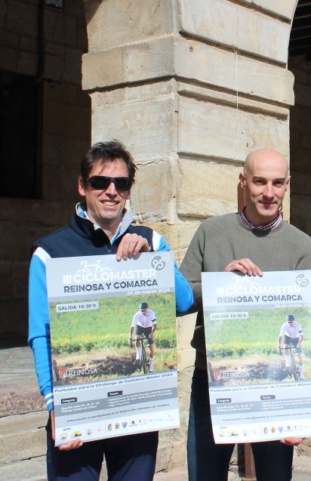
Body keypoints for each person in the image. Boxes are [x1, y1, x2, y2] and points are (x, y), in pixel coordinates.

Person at [27, 140, 194, 481]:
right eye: (100, 182)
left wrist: (152, 261)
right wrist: (53, 404)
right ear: (82, 186)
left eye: (121, 184)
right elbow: (40, 332)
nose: (111, 191)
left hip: (137, 410)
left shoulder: (152, 240)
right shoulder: (49, 251)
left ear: (129, 191)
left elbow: (184, 301)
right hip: (78, 407)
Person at [180, 148, 311, 481]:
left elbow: (308, 330)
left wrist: (303, 410)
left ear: (288, 185)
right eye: (259, 182)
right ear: (243, 182)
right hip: (213, 377)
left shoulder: (303, 247)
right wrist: (220, 285)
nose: (268, 193)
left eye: (276, 183)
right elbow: (182, 295)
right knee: (205, 474)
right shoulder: (210, 233)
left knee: (274, 476)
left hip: (278, 382)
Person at [129, 302, 157, 371]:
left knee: (150, 346)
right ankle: (138, 354)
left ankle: (151, 363)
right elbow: (132, 327)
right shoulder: (137, 315)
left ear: (147, 309)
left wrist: (151, 333)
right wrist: (130, 337)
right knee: (137, 338)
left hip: (149, 328)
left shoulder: (152, 313)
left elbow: (155, 326)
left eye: (144, 310)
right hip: (140, 327)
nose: (143, 312)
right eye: (141, 310)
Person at [278, 313, 304, 379]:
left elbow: (302, 336)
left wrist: (299, 343)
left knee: (299, 355)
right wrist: (279, 346)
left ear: (294, 321)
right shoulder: (284, 326)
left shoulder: (298, 325)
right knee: (286, 347)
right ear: (287, 322)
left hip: (296, 338)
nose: (290, 323)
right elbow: (280, 336)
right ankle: (288, 361)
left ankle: (301, 371)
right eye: (289, 322)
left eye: (291, 322)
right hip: (288, 337)